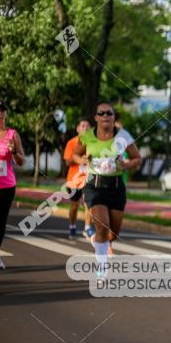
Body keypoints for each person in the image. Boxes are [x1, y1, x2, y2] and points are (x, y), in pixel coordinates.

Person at [72, 103, 141, 277]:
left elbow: (137, 158)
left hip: (116, 187)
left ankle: (99, 240)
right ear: (96, 117)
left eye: (108, 113)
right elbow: (75, 154)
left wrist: (126, 165)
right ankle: (102, 268)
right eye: (101, 113)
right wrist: (82, 160)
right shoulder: (87, 136)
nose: (105, 116)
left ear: (113, 117)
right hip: (94, 186)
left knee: (113, 232)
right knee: (102, 225)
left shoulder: (123, 136)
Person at [0, 100, 25, 269]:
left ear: (6, 114)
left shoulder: (12, 134)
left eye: (2, 111)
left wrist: (14, 150)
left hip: (6, 187)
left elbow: (21, 161)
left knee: (0, 222)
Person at [62, 118, 92, 239]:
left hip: (88, 178)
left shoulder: (93, 143)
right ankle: (72, 226)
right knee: (74, 206)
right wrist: (79, 159)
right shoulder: (72, 142)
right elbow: (67, 161)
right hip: (74, 180)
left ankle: (88, 228)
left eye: (88, 126)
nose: (85, 128)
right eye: (83, 126)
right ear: (78, 129)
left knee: (88, 203)